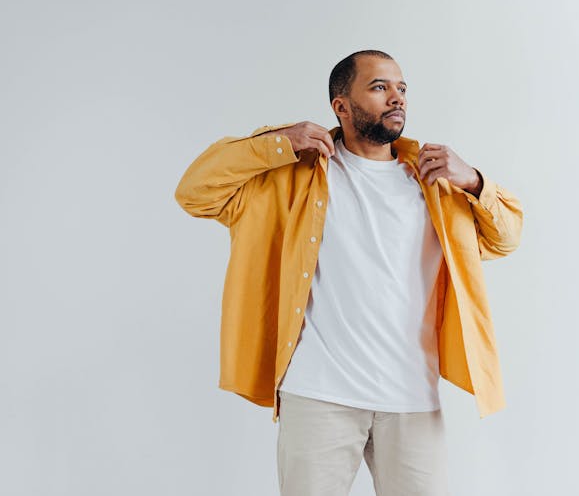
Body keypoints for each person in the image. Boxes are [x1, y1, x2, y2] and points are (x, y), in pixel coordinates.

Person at [174, 49, 524, 496]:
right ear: (340, 105)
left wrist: (474, 181)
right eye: (379, 87)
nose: (396, 98)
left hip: (412, 398)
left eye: (401, 88)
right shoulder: (293, 176)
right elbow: (194, 192)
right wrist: (278, 141)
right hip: (319, 394)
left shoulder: (435, 181)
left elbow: (507, 237)